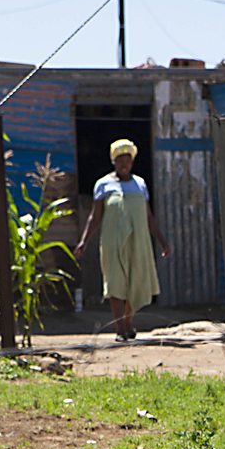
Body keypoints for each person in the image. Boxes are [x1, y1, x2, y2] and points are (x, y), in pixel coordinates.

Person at [74, 139, 170, 341]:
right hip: (112, 241)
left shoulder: (140, 184)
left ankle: (128, 323)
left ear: (132, 162)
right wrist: (84, 241)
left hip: (138, 241)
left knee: (135, 282)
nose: (124, 164)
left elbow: (148, 217)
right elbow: (95, 216)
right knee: (116, 283)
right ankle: (120, 329)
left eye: (128, 160)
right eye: (120, 160)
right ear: (114, 162)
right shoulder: (103, 184)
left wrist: (162, 241)